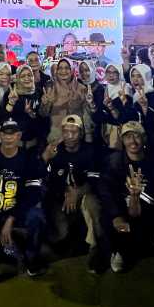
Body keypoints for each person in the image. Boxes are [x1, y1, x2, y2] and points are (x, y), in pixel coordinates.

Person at [0, 119, 47, 275]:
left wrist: (11, 218)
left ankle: (31, 256)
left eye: (12, 134)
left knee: (36, 216)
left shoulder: (28, 158)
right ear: (0, 135)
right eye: (5, 134)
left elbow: (33, 194)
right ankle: (10, 244)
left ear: (19, 136)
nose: (8, 138)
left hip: (17, 213)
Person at [98, 121, 154, 273]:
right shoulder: (114, 161)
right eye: (128, 137)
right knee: (115, 225)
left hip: (148, 211)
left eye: (137, 136)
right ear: (122, 140)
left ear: (144, 138)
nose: (133, 141)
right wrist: (116, 216)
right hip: (123, 210)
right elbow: (105, 190)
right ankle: (117, 252)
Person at [42, 115, 105, 273]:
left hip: (83, 195)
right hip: (61, 197)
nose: (69, 135)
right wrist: (45, 158)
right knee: (60, 235)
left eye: (74, 131)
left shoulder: (90, 151)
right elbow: (45, 179)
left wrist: (78, 192)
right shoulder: (55, 150)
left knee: (92, 204)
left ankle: (97, 248)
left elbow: (95, 180)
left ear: (81, 133)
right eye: (66, 131)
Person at [39, 58, 92, 144]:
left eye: (67, 68)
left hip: (76, 137)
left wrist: (88, 135)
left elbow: (86, 115)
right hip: (56, 137)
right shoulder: (51, 88)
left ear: (72, 70)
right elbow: (43, 114)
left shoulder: (81, 89)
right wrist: (45, 103)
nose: (63, 71)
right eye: (60, 68)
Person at [0, 65, 43, 148]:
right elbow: (1, 119)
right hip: (15, 145)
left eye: (29, 75)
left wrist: (31, 114)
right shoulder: (11, 94)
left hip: (34, 144)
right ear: (17, 78)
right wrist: (11, 103)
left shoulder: (38, 92)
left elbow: (43, 120)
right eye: (23, 76)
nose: (27, 78)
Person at [96, 63, 135, 150]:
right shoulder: (106, 88)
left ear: (119, 73)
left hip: (121, 132)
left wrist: (112, 107)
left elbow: (127, 115)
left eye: (114, 72)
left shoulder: (125, 88)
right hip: (107, 130)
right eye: (108, 72)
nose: (111, 75)